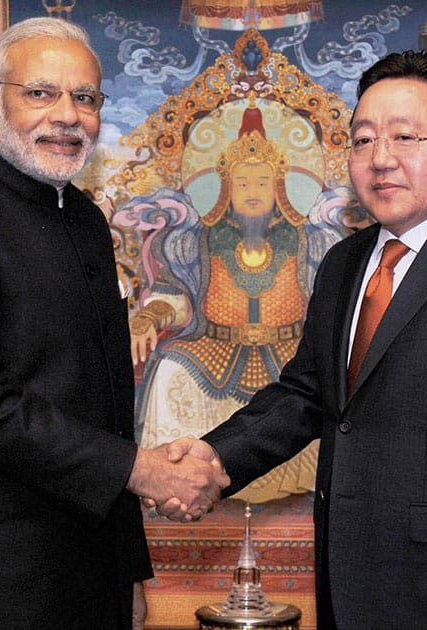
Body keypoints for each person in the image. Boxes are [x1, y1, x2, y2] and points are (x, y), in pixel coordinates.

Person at [158, 50, 427, 629]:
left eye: (405, 137)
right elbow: (307, 395)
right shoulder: (345, 262)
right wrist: (214, 459)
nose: (380, 159)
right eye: (362, 140)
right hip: (351, 588)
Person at [0, 17, 228, 630]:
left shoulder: (84, 219)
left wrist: (128, 569)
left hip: (82, 575)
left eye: (85, 98)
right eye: (40, 93)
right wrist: (141, 470)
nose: (67, 115)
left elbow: (108, 405)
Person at [127, 98, 347, 503]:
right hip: (213, 349)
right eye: (242, 183)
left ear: (278, 186)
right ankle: (172, 487)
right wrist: (150, 317)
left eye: (261, 183)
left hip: (287, 354)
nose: (252, 192)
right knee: (169, 372)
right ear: (226, 187)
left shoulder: (311, 241)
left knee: (324, 387)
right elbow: (176, 297)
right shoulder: (199, 241)